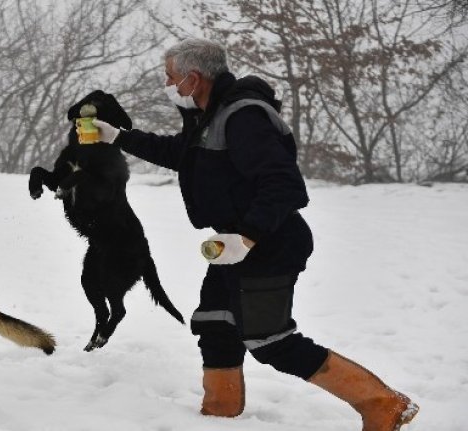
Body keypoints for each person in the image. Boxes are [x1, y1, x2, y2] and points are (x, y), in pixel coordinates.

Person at [91, 38, 418, 431]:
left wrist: (247, 237)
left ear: (193, 79)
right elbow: (181, 153)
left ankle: (383, 403)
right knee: (215, 324)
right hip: (234, 245)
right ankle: (220, 414)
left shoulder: (243, 116)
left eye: (170, 78)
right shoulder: (209, 116)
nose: (167, 84)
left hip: (271, 243)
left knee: (271, 341)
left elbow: (284, 184)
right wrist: (119, 137)